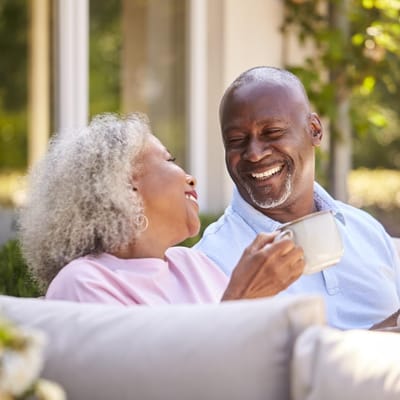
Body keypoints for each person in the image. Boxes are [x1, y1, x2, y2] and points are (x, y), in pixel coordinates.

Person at [18, 112, 305, 305]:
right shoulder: (83, 282)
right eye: (169, 160)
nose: (190, 177)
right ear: (125, 186)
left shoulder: (194, 265)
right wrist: (241, 300)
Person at [195, 66, 400, 330]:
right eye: (236, 140)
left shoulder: (365, 230)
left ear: (314, 130)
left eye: (272, 133)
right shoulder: (212, 259)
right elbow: (218, 363)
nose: (254, 154)